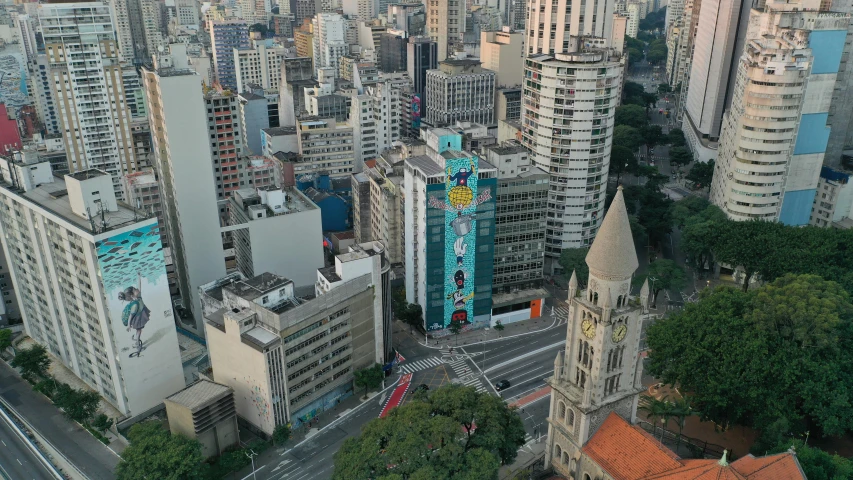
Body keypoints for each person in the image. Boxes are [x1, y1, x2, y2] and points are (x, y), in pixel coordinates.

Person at [119, 273, 151, 349]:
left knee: (139, 330)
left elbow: (139, 286)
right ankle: (137, 343)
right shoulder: (135, 304)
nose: (137, 289)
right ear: (132, 295)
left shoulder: (138, 296)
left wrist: (139, 277)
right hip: (138, 319)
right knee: (139, 330)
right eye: (135, 290)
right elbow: (131, 315)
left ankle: (137, 339)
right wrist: (129, 325)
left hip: (139, 316)